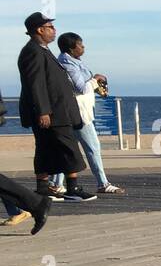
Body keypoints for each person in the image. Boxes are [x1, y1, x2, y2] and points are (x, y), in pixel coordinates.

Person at [17, 13, 95, 202]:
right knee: (68, 148)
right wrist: (43, 111)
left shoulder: (42, 50)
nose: (54, 31)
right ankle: (72, 188)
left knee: (46, 148)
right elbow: (36, 84)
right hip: (52, 112)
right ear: (39, 29)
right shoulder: (33, 51)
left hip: (55, 111)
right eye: (50, 27)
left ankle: (44, 188)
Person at [48, 32, 124, 195]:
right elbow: (80, 87)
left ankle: (56, 183)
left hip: (77, 111)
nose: (83, 47)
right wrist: (95, 79)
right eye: (80, 45)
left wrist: (97, 86)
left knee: (67, 148)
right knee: (93, 147)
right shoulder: (68, 64)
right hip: (78, 112)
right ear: (71, 48)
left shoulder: (74, 62)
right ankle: (102, 183)